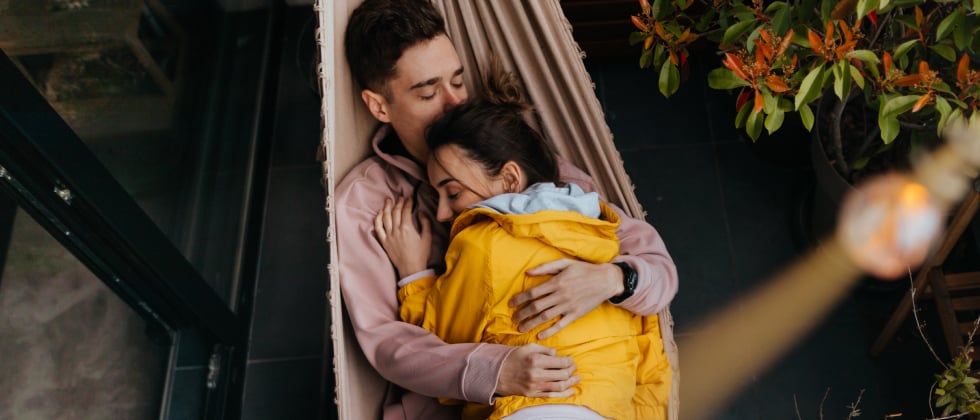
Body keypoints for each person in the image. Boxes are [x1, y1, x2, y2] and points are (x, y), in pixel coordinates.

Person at [337, 0, 678, 418]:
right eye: (427, 92)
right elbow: (389, 344)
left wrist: (612, 278)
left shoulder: (499, 147)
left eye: (458, 82)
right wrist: (495, 371)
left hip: (593, 382)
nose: (453, 103)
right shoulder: (365, 202)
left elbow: (656, 266)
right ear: (378, 106)